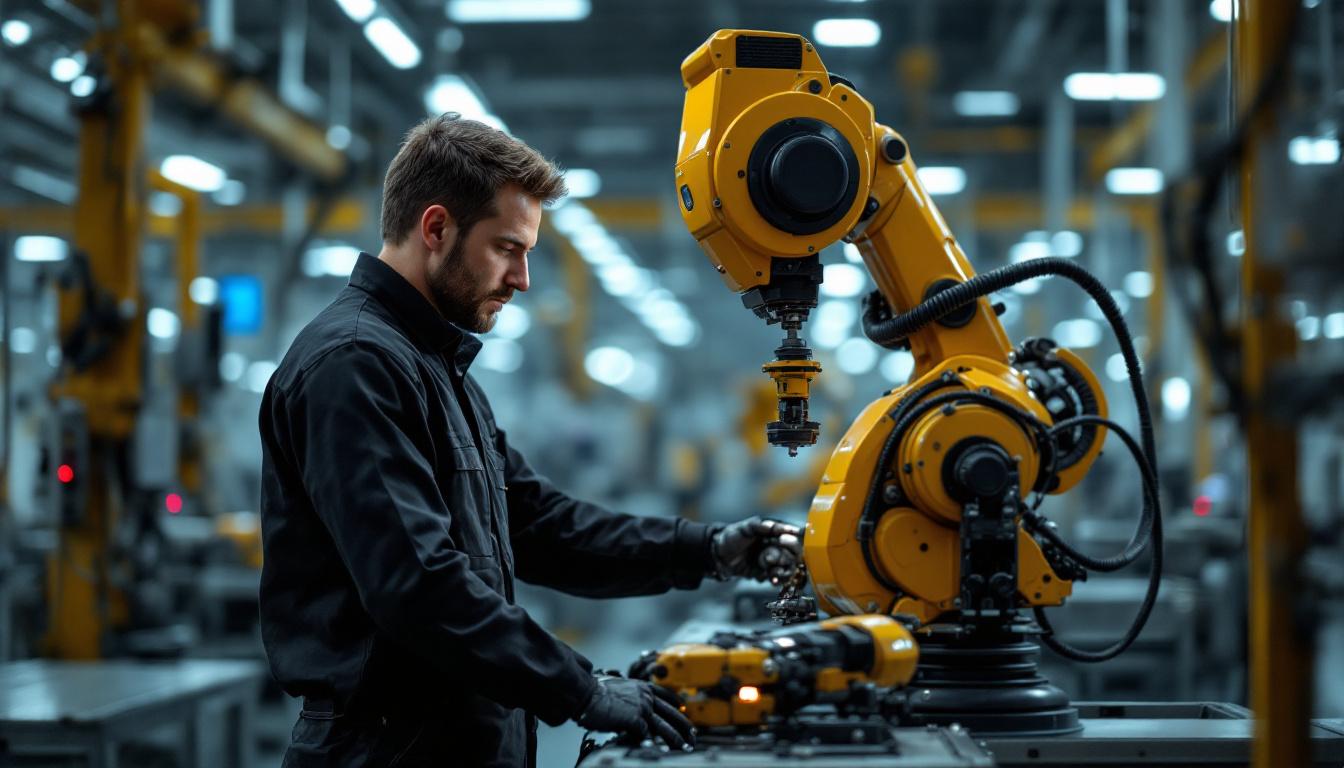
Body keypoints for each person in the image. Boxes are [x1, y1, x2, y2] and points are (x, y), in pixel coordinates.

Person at [258, 113, 802, 767]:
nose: (522, 279)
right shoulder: (354, 365)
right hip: (385, 749)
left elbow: (540, 525)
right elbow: (417, 585)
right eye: (508, 248)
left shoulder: (436, 367)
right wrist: (580, 687)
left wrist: (706, 549)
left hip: (456, 738)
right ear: (436, 229)